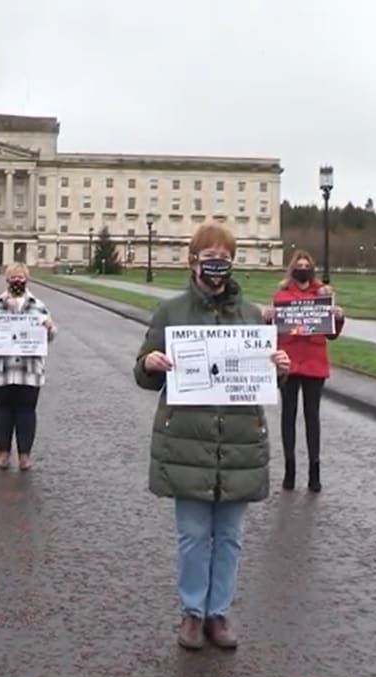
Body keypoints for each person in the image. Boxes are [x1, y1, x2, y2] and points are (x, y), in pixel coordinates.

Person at [134, 223, 290, 651]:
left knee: (231, 536)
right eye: (210, 258)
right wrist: (151, 363)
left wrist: (277, 365)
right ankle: (191, 612)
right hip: (188, 438)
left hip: (239, 438)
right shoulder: (171, 312)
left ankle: (218, 612)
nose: (217, 267)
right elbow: (142, 372)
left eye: (224, 258)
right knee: (193, 534)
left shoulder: (252, 316)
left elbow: (263, 379)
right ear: (193, 261)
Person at [270, 250, 345, 492]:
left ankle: (315, 469)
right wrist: (267, 318)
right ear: (292, 269)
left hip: (314, 362)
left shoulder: (323, 296)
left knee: (312, 416)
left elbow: (331, 334)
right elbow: (272, 331)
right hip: (288, 362)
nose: (303, 268)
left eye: (307, 265)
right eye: (299, 265)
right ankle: (290, 468)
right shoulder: (281, 295)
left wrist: (338, 317)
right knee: (288, 415)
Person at [0, 262, 57, 470]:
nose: (17, 280)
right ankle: (3, 453)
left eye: (21, 276)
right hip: (1, 369)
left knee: (26, 412)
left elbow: (51, 335)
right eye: (13, 277)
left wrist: (50, 327)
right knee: (2, 411)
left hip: (29, 370)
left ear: (27, 278)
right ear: (7, 279)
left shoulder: (38, 305)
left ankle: (24, 455)